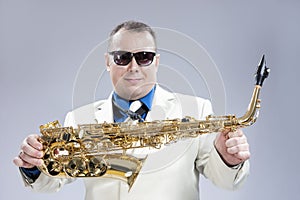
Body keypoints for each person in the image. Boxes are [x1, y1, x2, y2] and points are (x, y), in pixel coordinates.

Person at [13, 20, 250, 200]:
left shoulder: (196, 109)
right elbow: (51, 183)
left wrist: (227, 160)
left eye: (144, 57)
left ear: (156, 61)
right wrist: (34, 165)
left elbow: (227, 184)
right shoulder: (78, 118)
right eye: (122, 57)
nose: (133, 67)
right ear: (108, 62)